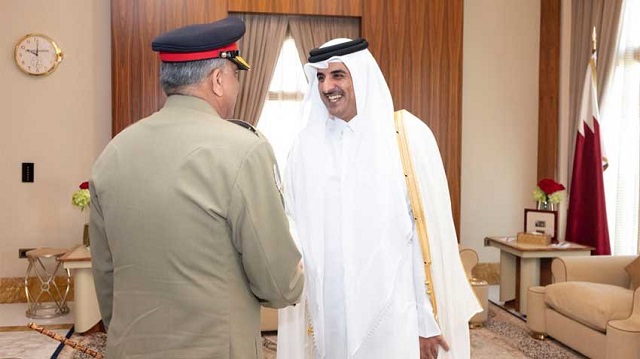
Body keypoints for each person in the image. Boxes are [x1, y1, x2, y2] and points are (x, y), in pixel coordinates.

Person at [90, 17, 304, 358]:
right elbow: (279, 286)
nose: (236, 87)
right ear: (218, 80)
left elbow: (105, 275)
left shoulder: (114, 151)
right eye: (235, 76)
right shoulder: (244, 150)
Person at [277, 38, 482, 359]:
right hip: (330, 309)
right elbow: (292, 223)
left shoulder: (405, 136)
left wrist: (425, 320)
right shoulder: (305, 148)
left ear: (361, 76)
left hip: (391, 308)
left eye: (338, 75)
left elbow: (422, 235)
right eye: (320, 77)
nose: (327, 86)